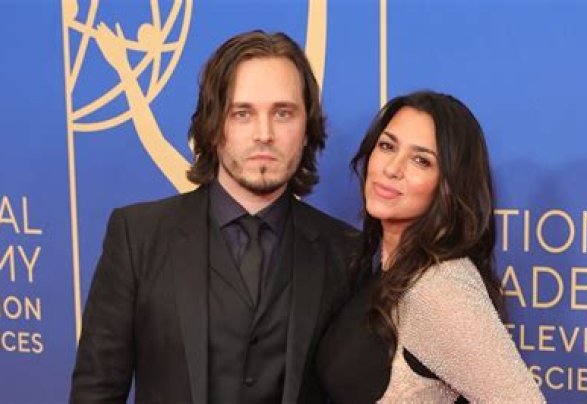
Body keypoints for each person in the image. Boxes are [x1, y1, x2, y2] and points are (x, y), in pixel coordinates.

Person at [70, 30, 361, 404]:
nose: (264, 134)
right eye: (242, 113)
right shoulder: (137, 237)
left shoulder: (346, 252)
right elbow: (96, 390)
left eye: (283, 113)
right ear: (212, 126)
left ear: (307, 129)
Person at [316, 91, 545, 403]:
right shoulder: (388, 268)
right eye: (387, 146)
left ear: (449, 185)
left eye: (421, 160)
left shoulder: (439, 287)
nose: (392, 168)